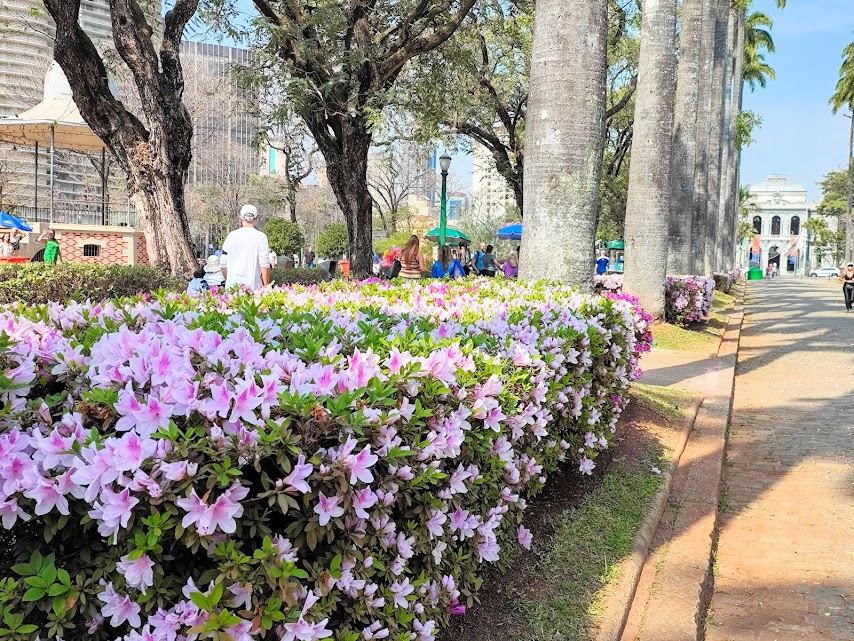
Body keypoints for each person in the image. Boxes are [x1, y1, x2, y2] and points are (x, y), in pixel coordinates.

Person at [220, 204, 272, 289]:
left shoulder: (231, 236)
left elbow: (223, 263)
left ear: (241, 217)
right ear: (256, 218)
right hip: (253, 287)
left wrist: (228, 281)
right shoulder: (261, 237)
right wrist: (266, 287)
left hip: (232, 288)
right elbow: (264, 264)